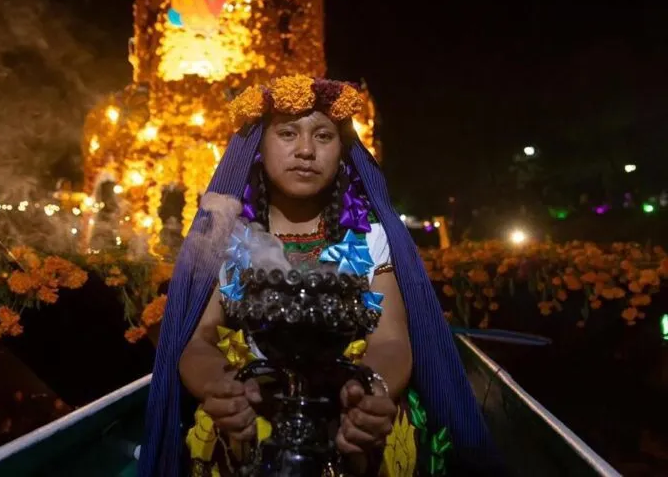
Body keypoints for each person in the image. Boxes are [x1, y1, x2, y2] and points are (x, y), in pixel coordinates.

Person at [139, 76, 503, 476]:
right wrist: (220, 387)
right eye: (288, 133)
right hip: (249, 412)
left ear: (342, 152)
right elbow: (198, 337)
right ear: (258, 145)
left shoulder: (370, 239)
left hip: (351, 411)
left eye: (324, 136)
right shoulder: (225, 238)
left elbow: (392, 339)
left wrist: (370, 392)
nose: (307, 150)